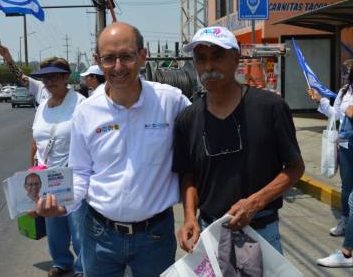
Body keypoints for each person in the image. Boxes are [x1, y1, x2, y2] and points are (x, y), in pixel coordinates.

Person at [35, 22, 190, 277]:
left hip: (156, 236)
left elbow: (199, 148)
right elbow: (81, 173)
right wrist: (62, 206)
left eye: (126, 56)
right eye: (109, 59)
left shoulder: (171, 102)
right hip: (99, 236)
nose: (118, 67)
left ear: (142, 55)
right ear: (98, 60)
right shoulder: (86, 111)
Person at [173, 26, 305, 255]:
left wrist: (255, 202)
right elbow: (189, 175)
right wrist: (189, 217)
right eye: (201, 59)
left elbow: (295, 168)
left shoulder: (270, 107)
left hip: (261, 233)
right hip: (211, 231)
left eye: (217, 56)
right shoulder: (188, 118)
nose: (209, 66)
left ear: (236, 58)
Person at [29, 58, 87, 277]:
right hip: (47, 176)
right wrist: (32, 172)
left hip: (74, 175)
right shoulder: (42, 106)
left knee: (78, 226)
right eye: (45, 77)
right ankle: (62, 261)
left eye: (55, 76)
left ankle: (82, 267)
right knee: (53, 224)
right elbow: (36, 142)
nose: (49, 81)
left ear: (66, 77)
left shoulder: (81, 104)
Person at [310, 69, 353, 267]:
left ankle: (347, 252)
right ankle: (345, 222)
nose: (346, 73)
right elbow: (335, 114)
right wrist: (320, 100)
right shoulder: (345, 91)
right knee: (348, 189)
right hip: (346, 146)